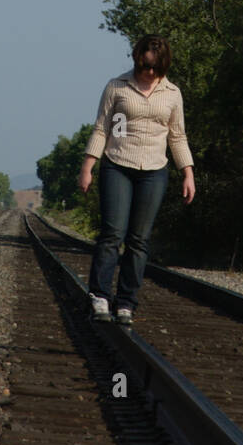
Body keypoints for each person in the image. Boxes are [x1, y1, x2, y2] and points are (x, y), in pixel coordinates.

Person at [78, 34, 195, 325]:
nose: (149, 72)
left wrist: (188, 173)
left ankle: (126, 303)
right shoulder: (117, 87)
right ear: (136, 59)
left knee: (139, 241)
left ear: (164, 65)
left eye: (155, 67)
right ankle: (100, 297)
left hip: (154, 171)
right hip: (117, 165)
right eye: (145, 65)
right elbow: (101, 129)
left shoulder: (172, 93)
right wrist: (87, 167)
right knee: (112, 235)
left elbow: (177, 136)